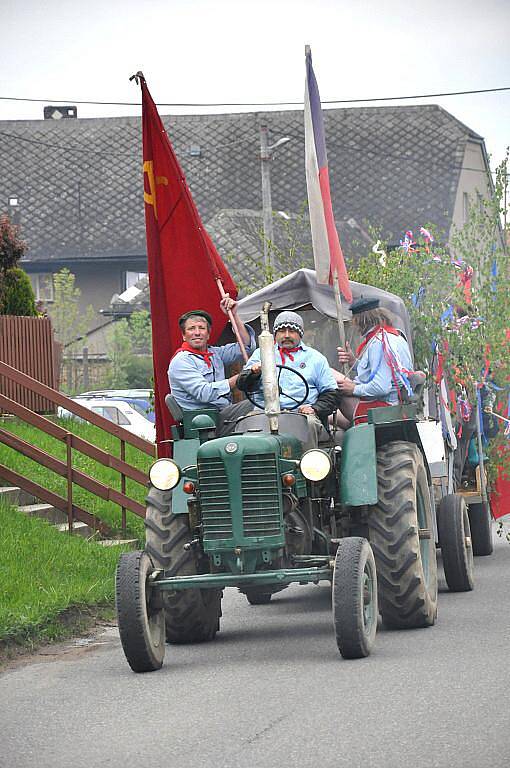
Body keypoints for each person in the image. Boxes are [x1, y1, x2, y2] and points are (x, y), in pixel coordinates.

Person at [237, 310, 339, 445]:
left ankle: (307, 464)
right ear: (275, 334)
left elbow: (331, 393)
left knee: (308, 424)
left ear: (300, 333)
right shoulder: (261, 353)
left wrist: (315, 408)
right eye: (281, 331)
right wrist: (253, 374)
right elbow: (242, 384)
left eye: (291, 331)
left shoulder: (316, 358)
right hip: (264, 413)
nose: (286, 336)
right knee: (244, 427)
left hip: (301, 414)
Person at [168, 294, 256, 435]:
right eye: (191, 328)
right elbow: (205, 393)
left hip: (222, 415)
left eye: (201, 328)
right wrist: (242, 377)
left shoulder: (215, 354)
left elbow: (245, 347)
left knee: (261, 399)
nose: (197, 333)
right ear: (184, 335)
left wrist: (233, 316)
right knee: (256, 403)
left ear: (208, 334)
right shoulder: (181, 361)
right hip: (203, 423)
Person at [336, 297, 414, 423]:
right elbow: (377, 371)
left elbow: (381, 387)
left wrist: (354, 389)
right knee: (332, 417)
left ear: (360, 321)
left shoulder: (380, 343)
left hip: (382, 408)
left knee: (330, 381)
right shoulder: (396, 336)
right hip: (395, 404)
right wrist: (353, 362)